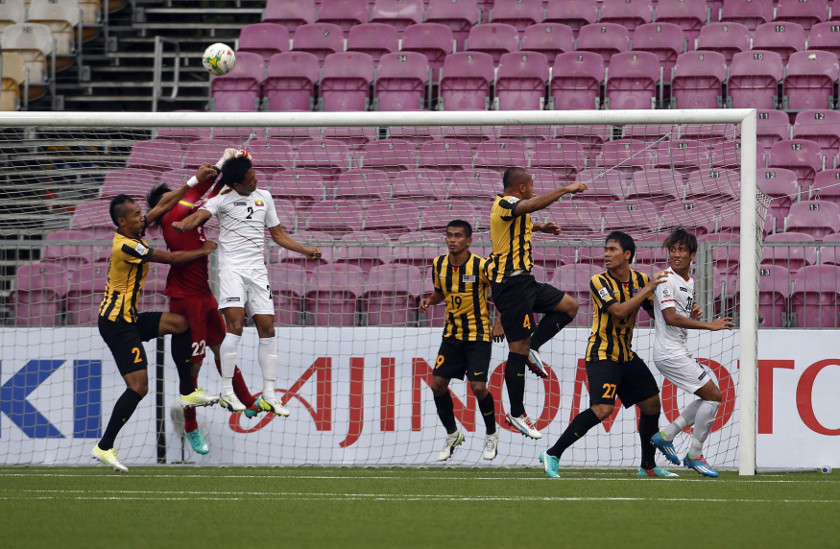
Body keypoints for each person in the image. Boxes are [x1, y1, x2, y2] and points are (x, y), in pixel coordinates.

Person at [172, 152, 321, 417]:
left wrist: (305, 250)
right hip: (232, 271)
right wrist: (184, 224)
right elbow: (199, 216)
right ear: (236, 185)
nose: (255, 181)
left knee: (268, 328)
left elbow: (278, 234)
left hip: (257, 272)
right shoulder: (221, 200)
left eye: (255, 177)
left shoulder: (265, 196)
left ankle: (270, 394)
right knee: (236, 326)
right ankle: (228, 390)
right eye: (250, 180)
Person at [91, 183, 219, 473]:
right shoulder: (127, 245)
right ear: (122, 221)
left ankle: (187, 391)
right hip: (116, 325)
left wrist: (190, 184)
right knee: (139, 388)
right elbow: (172, 259)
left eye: (140, 212)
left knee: (180, 324)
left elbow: (161, 207)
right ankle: (104, 446)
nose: (142, 217)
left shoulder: (133, 230)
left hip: (129, 318)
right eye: (136, 214)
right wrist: (204, 250)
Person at [146, 149, 265, 456]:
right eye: (172, 195)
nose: (179, 195)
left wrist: (226, 164)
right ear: (166, 203)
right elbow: (199, 190)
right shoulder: (174, 216)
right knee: (193, 367)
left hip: (204, 295)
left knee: (222, 349)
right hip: (185, 301)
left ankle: (248, 401)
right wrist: (219, 168)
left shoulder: (184, 211)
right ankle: (191, 427)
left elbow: (210, 190)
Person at [539, 231, 676, 479]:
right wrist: (648, 289)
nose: (606, 254)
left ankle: (648, 466)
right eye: (606, 249)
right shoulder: (599, 281)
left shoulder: (640, 279)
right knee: (602, 409)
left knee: (652, 404)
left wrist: (679, 311)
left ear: (627, 254)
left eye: (612, 249)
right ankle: (553, 453)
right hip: (602, 353)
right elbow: (619, 312)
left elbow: (654, 312)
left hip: (625, 354)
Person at [484, 167, 587, 440]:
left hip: (526, 282)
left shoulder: (515, 213)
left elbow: (522, 223)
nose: (532, 189)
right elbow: (528, 206)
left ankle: (535, 347)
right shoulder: (504, 204)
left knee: (570, 307)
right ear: (521, 188)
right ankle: (516, 413)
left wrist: (541, 227)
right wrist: (565, 189)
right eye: (531, 185)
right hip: (511, 286)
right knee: (517, 351)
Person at [649, 228, 734, 478]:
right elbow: (670, 317)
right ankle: (694, 454)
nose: (676, 254)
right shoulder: (665, 279)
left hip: (677, 350)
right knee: (715, 396)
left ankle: (666, 435)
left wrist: (692, 313)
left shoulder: (689, 281)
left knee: (708, 397)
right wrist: (709, 325)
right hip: (669, 353)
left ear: (692, 255)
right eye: (672, 249)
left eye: (681, 250)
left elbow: (681, 312)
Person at [418, 220, 505, 462]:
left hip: (478, 335)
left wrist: (500, 321)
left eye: (457, 236)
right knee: (437, 385)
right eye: (449, 235)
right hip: (452, 335)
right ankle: (453, 434)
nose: (452, 239)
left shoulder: (481, 265)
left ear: (469, 241)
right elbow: (441, 292)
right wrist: (429, 300)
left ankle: (491, 434)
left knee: (477, 387)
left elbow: (501, 294)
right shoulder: (439, 264)